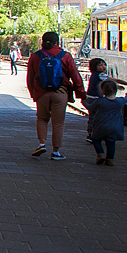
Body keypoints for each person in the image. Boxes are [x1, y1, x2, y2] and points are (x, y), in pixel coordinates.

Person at [26, 31, 86, 160]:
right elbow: (75, 76)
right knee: (58, 123)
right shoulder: (66, 56)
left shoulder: (36, 56)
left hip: (42, 93)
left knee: (42, 119)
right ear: (58, 42)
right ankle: (56, 152)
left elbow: (30, 78)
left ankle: (42, 144)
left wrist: (33, 93)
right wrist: (81, 93)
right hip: (60, 92)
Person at [85, 78, 127, 165]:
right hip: (115, 126)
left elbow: (90, 107)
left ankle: (100, 154)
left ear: (102, 91)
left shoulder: (100, 101)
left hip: (100, 125)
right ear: (115, 90)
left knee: (95, 139)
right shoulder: (120, 101)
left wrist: (83, 100)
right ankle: (110, 159)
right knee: (111, 142)